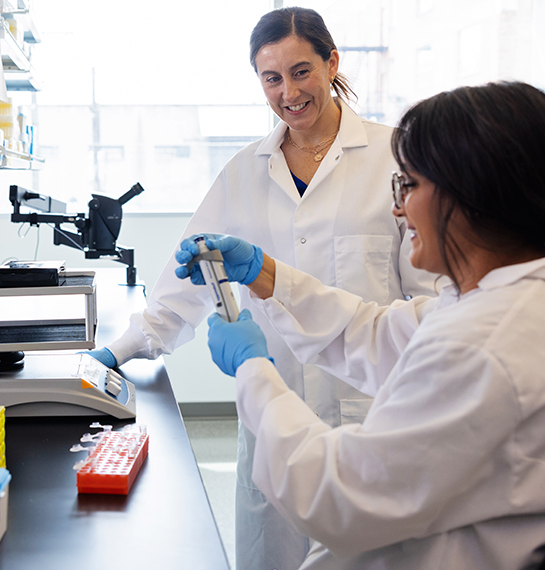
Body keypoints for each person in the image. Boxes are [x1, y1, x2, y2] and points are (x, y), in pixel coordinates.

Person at [175, 81, 545, 570]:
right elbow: (377, 333)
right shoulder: (527, 297)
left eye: (409, 185)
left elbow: (336, 496)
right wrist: (265, 274)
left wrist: (254, 371)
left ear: (472, 197)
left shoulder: (488, 341)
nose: (398, 207)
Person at [86, 7, 439, 569]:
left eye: (301, 71)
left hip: (370, 416)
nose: (289, 92)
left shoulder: (396, 157)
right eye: (271, 78)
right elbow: (190, 282)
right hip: (272, 404)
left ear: (332, 63)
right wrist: (120, 351)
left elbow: (433, 300)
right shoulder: (245, 171)